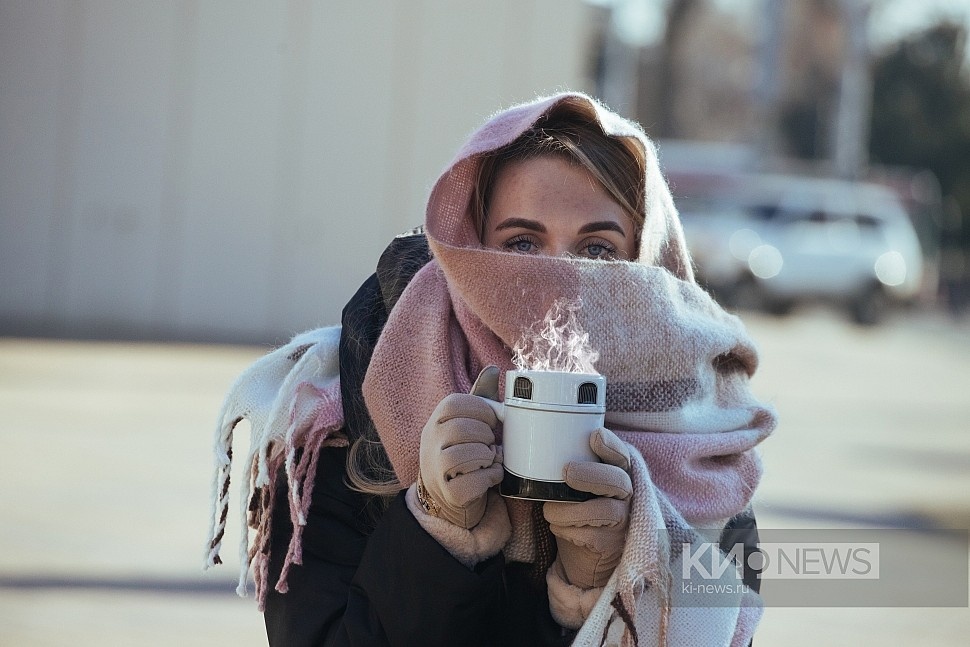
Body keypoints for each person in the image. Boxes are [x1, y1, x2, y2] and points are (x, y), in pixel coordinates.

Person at [204, 92, 775, 646]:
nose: (558, 278)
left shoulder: (701, 444)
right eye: (522, 243)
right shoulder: (345, 408)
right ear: (465, 250)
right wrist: (435, 531)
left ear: (647, 263)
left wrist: (597, 590)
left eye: (598, 250)